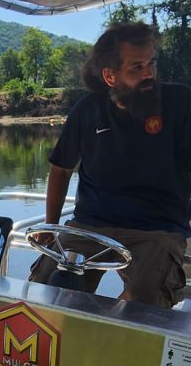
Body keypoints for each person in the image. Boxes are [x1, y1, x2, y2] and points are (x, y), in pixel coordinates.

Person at [29, 21, 191, 308]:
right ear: (110, 76)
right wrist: (51, 225)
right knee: (44, 290)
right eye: (136, 68)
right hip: (90, 225)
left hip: (157, 230)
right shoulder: (87, 110)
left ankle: (108, 337)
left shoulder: (180, 104)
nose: (149, 74)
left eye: (151, 63)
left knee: (144, 298)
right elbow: (61, 169)